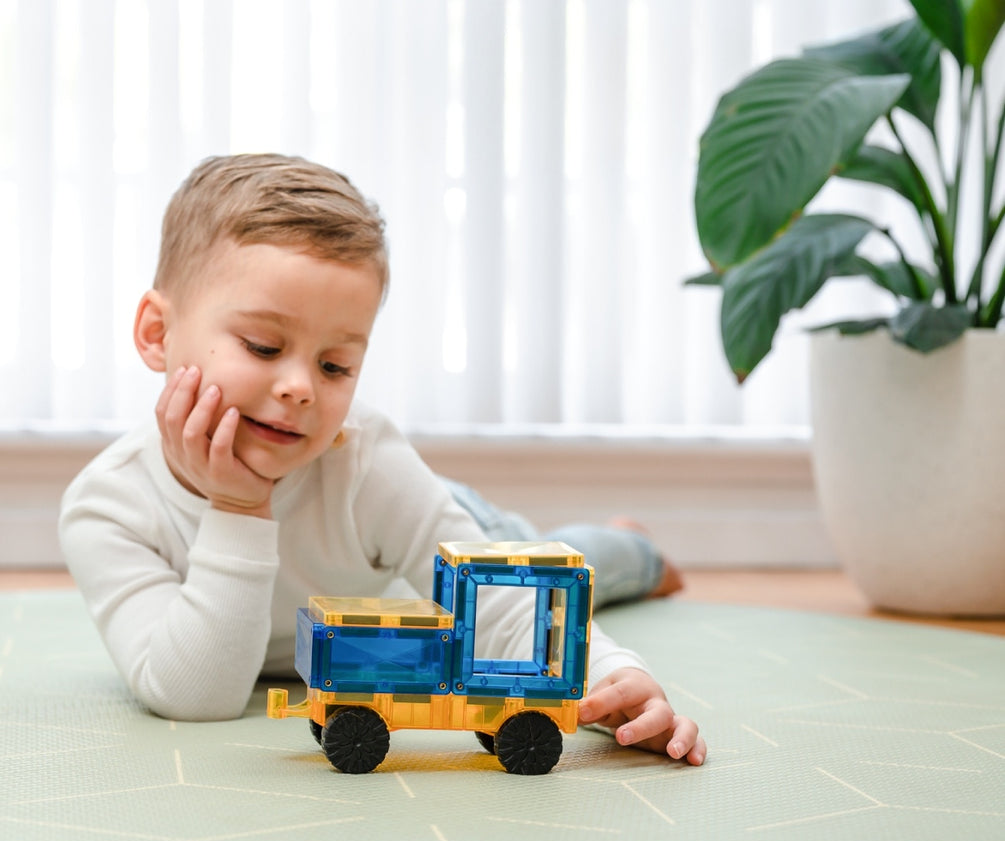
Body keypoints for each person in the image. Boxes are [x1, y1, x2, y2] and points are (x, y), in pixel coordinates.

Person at [59, 153, 705, 766]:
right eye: (261, 346)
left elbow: (504, 607)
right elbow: (195, 695)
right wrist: (237, 506)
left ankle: (631, 547)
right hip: (393, 540)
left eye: (335, 364)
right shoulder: (106, 507)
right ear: (155, 333)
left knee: (547, 555)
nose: (301, 387)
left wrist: (613, 677)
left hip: (421, 538)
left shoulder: (363, 460)